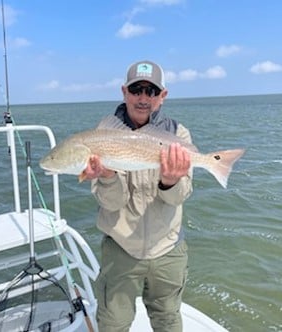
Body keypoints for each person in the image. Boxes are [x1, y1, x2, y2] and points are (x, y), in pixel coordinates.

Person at [84, 60, 193, 332]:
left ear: (162, 96)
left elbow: (180, 196)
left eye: (151, 91)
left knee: (168, 320)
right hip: (121, 247)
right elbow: (111, 203)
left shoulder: (177, 134)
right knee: (113, 323)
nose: (143, 98)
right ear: (124, 92)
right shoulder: (103, 135)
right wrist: (108, 177)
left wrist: (169, 182)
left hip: (168, 248)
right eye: (136, 90)